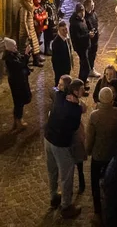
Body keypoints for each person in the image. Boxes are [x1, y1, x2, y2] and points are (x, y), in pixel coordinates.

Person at [45, 78, 85, 219]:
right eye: (81, 90)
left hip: (48, 138)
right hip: (60, 144)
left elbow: (55, 91)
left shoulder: (59, 96)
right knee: (66, 175)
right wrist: (79, 105)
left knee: (52, 170)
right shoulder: (74, 111)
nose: (83, 91)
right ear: (75, 91)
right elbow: (74, 128)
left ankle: (54, 196)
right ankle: (66, 206)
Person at [87, 86, 117, 221]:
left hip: (98, 155)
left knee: (95, 182)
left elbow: (90, 137)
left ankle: (98, 210)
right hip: (113, 154)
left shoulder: (94, 116)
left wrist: (88, 150)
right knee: (113, 181)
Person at [4, 37, 33, 130]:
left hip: (21, 80)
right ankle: (18, 120)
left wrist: (27, 53)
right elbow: (20, 65)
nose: (16, 47)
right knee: (18, 101)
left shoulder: (14, 53)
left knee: (20, 101)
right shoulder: (9, 58)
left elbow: (22, 60)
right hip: (16, 82)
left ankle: (17, 119)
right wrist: (26, 55)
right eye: (14, 46)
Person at [17, 0, 43, 67]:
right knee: (24, 49)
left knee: (35, 46)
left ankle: (36, 59)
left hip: (31, 29)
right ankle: (24, 64)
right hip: (26, 31)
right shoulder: (24, 9)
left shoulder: (30, 7)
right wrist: (27, 32)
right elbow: (23, 21)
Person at [70, 3, 93, 82]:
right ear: (77, 13)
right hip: (80, 47)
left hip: (85, 45)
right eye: (81, 12)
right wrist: (88, 35)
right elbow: (77, 37)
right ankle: (81, 82)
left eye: (83, 12)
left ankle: (81, 79)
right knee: (86, 67)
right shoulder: (74, 23)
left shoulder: (82, 19)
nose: (83, 14)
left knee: (83, 64)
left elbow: (85, 29)